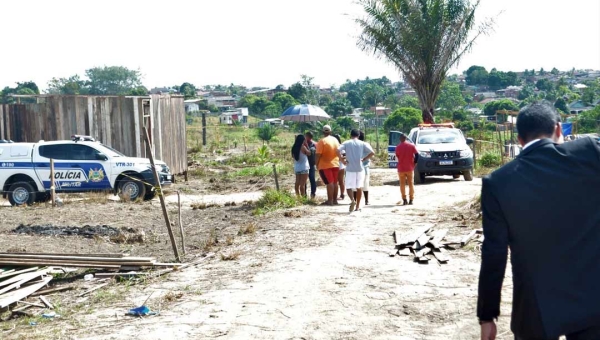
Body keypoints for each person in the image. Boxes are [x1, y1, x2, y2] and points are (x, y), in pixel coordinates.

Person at [478, 101, 600, 340]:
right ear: (558, 129)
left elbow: (494, 253)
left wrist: (487, 316)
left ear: (520, 140)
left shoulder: (498, 182)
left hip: (536, 308)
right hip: (594, 301)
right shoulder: (591, 152)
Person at [338, 129, 374, 212]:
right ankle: (357, 206)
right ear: (358, 136)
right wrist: (364, 159)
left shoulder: (346, 143)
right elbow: (372, 152)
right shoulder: (362, 143)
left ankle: (352, 200)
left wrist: (342, 160)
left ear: (351, 135)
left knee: (349, 187)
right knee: (359, 188)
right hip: (360, 168)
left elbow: (337, 150)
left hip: (350, 168)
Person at [315, 125, 340, 205]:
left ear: (323, 132)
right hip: (336, 164)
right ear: (331, 132)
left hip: (325, 165)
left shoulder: (322, 141)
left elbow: (318, 154)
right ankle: (335, 200)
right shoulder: (335, 140)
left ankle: (330, 200)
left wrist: (316, 164)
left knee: (329, 183)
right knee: (335, 183)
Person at [395, 133, 418, 205]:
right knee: (411, 184)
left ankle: (404, 199)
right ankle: (411, 199)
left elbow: (397, 157)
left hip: (401, 168)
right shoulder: (411, 146)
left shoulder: (398, 147)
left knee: (402, 184)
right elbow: (417, 155)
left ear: (400, 139)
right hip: (410, 167)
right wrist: (415, 162)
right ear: (406, 138)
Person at [358, 130, 372, 205]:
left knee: (356, 185)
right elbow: (372, 153)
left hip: (355, 168)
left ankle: (356, 201)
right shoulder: (366, 144)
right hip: (365, 167)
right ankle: (366, 200)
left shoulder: (354, 144)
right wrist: (365, 159)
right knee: (365, 185)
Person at [304, 131, 317, 199]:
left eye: (306, 136)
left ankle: (312, 194)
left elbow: (314, 153)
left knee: (312, 179)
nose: (305, 137)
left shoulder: (314, 144)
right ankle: (304, 194)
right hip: (305, 164)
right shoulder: (303, 144)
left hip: (311, 164)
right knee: (304, 180)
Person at [333, 134, 346, 201]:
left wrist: (338, 158)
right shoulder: (341, 146)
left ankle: (335, 196)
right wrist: (341, 158)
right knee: (341, 181)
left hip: (336, 165)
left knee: (336, 181)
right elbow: (344, 156)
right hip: (341, 165)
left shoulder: (334, 147)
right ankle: (342, 194)